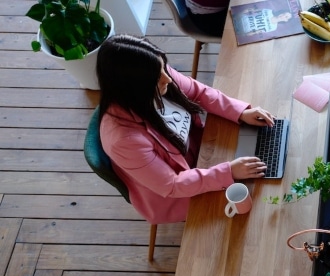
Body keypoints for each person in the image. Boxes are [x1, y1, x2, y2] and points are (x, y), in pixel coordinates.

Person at [96, 34, 276, 224]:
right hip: (176, 193)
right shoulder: (123, 140)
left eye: (164, 68)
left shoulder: (154, 73)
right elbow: (172, 185)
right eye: (159, 78)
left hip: (201, 152)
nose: (169, 79)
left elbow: (199, 92)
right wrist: (228, 172)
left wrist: (240, 112)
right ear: (134, 88)